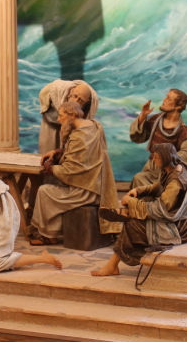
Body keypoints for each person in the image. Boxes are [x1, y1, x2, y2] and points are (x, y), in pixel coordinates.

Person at [91, 144, 187, 276]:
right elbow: (161, 186)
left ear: (166, 158)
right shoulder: (174, 167)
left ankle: (112, 265)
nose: (153, 159)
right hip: (177, 217)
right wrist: (139, 190)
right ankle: (127, 213)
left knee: (133, 224)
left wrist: (131, 202)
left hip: (183, 226)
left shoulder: (176, 181)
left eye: (156, 157)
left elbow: (160, 208)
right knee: (146, 199)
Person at [29, 101, 122, 245]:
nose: (58, 119)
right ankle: (53, 232)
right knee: (51, 188)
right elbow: (84, 156)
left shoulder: (79, 136)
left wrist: (50, 167)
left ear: (72, 115)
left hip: (85, 191)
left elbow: (70, 171)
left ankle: (49, 235)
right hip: (96, 184)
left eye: (61, 115)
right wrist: (57, 152)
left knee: (44, 191)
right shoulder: (95, 126)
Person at [129, 88, 187, 188]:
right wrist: (143, 116)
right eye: (166, 97)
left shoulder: (182, 130)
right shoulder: (156, 120)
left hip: (168, 172)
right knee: (138, 178)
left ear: (178, 106)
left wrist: (166, 158)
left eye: (169, 99)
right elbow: (137, 137)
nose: (164, 99)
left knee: (164, 188)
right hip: (151, 170)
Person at [38, 80, 98, 153]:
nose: (76, 101)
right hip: (50, 125)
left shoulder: (89, 105)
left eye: (81, 100)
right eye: (75, 96)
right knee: (47, 150)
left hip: (71, 132)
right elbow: (43, 94)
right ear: (72, 91)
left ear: (86, 101)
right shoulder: (55, 91)